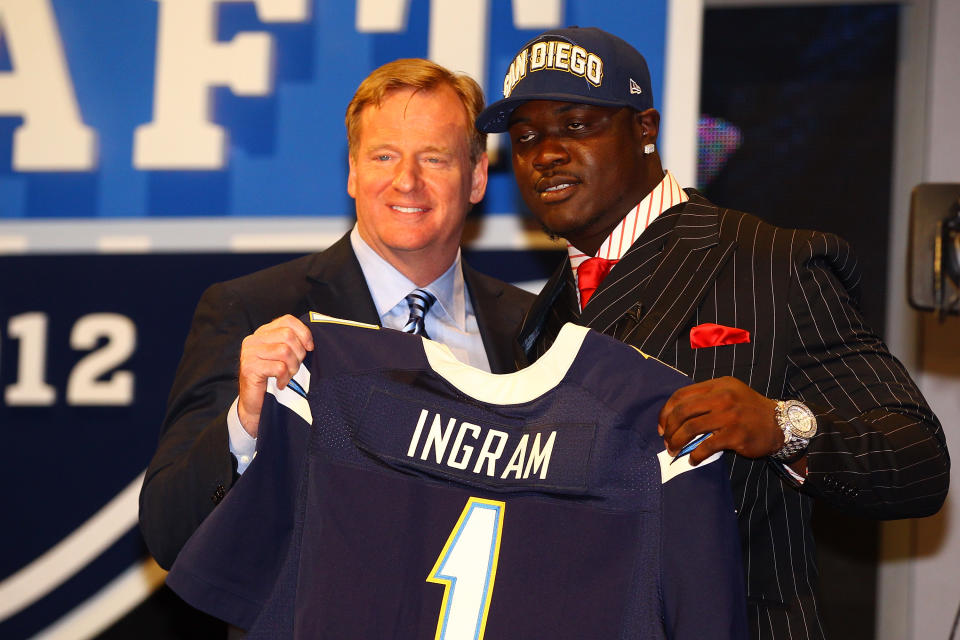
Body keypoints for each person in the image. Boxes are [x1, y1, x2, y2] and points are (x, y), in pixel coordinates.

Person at [477, 27, 950, 640]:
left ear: (645, 129)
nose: (546, 154)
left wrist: (785, 427)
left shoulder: (771, 261)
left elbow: (917, 461)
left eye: (577, 124)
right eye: (526, 138)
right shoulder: (542, 316)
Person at [140, 58, 534, 571]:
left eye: (434, 158)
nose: (406, 181)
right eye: (384, 156)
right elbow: (171, 532)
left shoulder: (532, 328)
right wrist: (247, 423)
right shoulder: (253, 311)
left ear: (477, 177)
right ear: (352, 171)